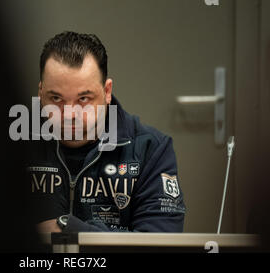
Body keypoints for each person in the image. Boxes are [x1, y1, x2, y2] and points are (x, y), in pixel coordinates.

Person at [29, 31, 186, 233]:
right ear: (40, 93)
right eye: (56, 99)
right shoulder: (8, 144)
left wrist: (68, 228)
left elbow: (159, 241)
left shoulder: (150, 149)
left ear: (107, 92)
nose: (69, 114)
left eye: (83, 99)